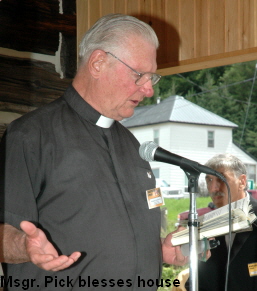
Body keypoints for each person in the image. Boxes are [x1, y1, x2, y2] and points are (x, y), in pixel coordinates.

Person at [0, 14, 188, 291]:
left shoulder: (132, 145)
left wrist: (160, 251)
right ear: (98, 62)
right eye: (139, 75)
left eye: (152, 77)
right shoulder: (31, 136)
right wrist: (24, 247)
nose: (148, 89)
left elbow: (109, 241)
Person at [186, 153, 257, 291]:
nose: (213, 188)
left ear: (242, 182)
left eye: (220, 178)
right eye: (209, 180)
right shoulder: (205, 228)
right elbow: (195, 281)